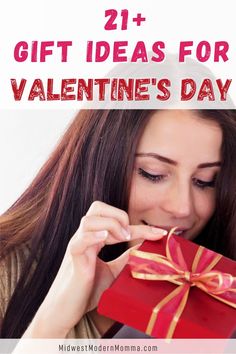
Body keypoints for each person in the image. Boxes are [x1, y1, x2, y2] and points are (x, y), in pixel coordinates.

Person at [0, 108, 236, 339]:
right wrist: (51, 323)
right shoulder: (7, 270)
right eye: (152, 173)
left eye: (205, 181)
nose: (182, 208)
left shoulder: (224, 291)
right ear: (99, 160)